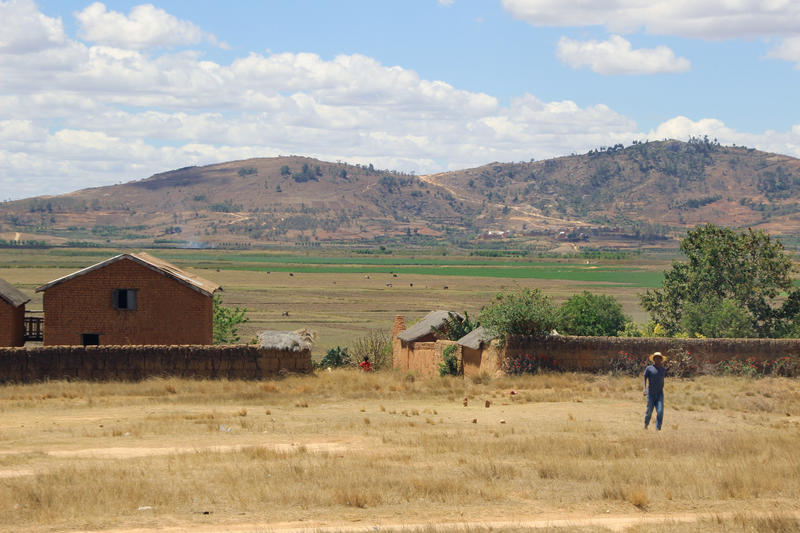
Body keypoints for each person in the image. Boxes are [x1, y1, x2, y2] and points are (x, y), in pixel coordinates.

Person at [643, 351, 667, 430]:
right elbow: (644, 378)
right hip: (651, 393)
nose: (657, 359)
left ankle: (658, 428)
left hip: (660, 394)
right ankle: (646, 425)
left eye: (659, 358)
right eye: (655, 358)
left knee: (660, 411)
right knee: (649, 411)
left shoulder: (663, 370)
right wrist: (644, 389)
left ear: (661, 359)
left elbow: (662, 380)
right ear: (653, 359)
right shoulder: (649, 368)